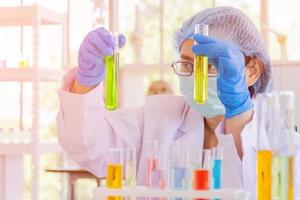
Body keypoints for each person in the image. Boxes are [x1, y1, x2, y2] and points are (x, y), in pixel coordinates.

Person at [57, 6, 299, 198]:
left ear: (252, 70)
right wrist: (86, 81)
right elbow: (89, 145)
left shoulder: (284, 142)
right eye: (187, 64)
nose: (197, 77)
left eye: (210, 65)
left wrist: (238, 116)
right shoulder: (157, 116)